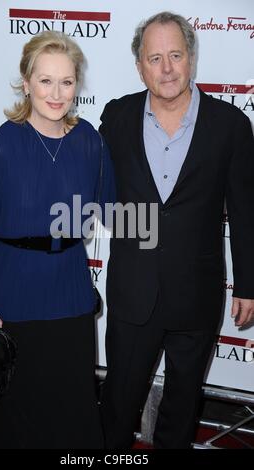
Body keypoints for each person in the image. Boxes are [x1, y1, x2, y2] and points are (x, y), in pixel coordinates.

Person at [99, 11, 254, 449]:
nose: (166, 69)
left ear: (191, 58)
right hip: (132, 292)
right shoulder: (116, 117)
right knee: (118, 404)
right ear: (139, 66)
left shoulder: (231, 125)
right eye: (155, 58)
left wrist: (248, 283)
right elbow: (93, 188)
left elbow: (245, 211)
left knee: (182, 409)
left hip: (196, 296)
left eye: (175, 55)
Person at [0, 30, 115, 449]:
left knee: (73, 411)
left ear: (76, 85)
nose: (57, 93)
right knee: (19, 421)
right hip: (13, 307)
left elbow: (114, 207)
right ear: (26, 83)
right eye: (46, 80)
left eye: (66, 81)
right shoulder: (0, 148)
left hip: (72, 303)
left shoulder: (89, 141)